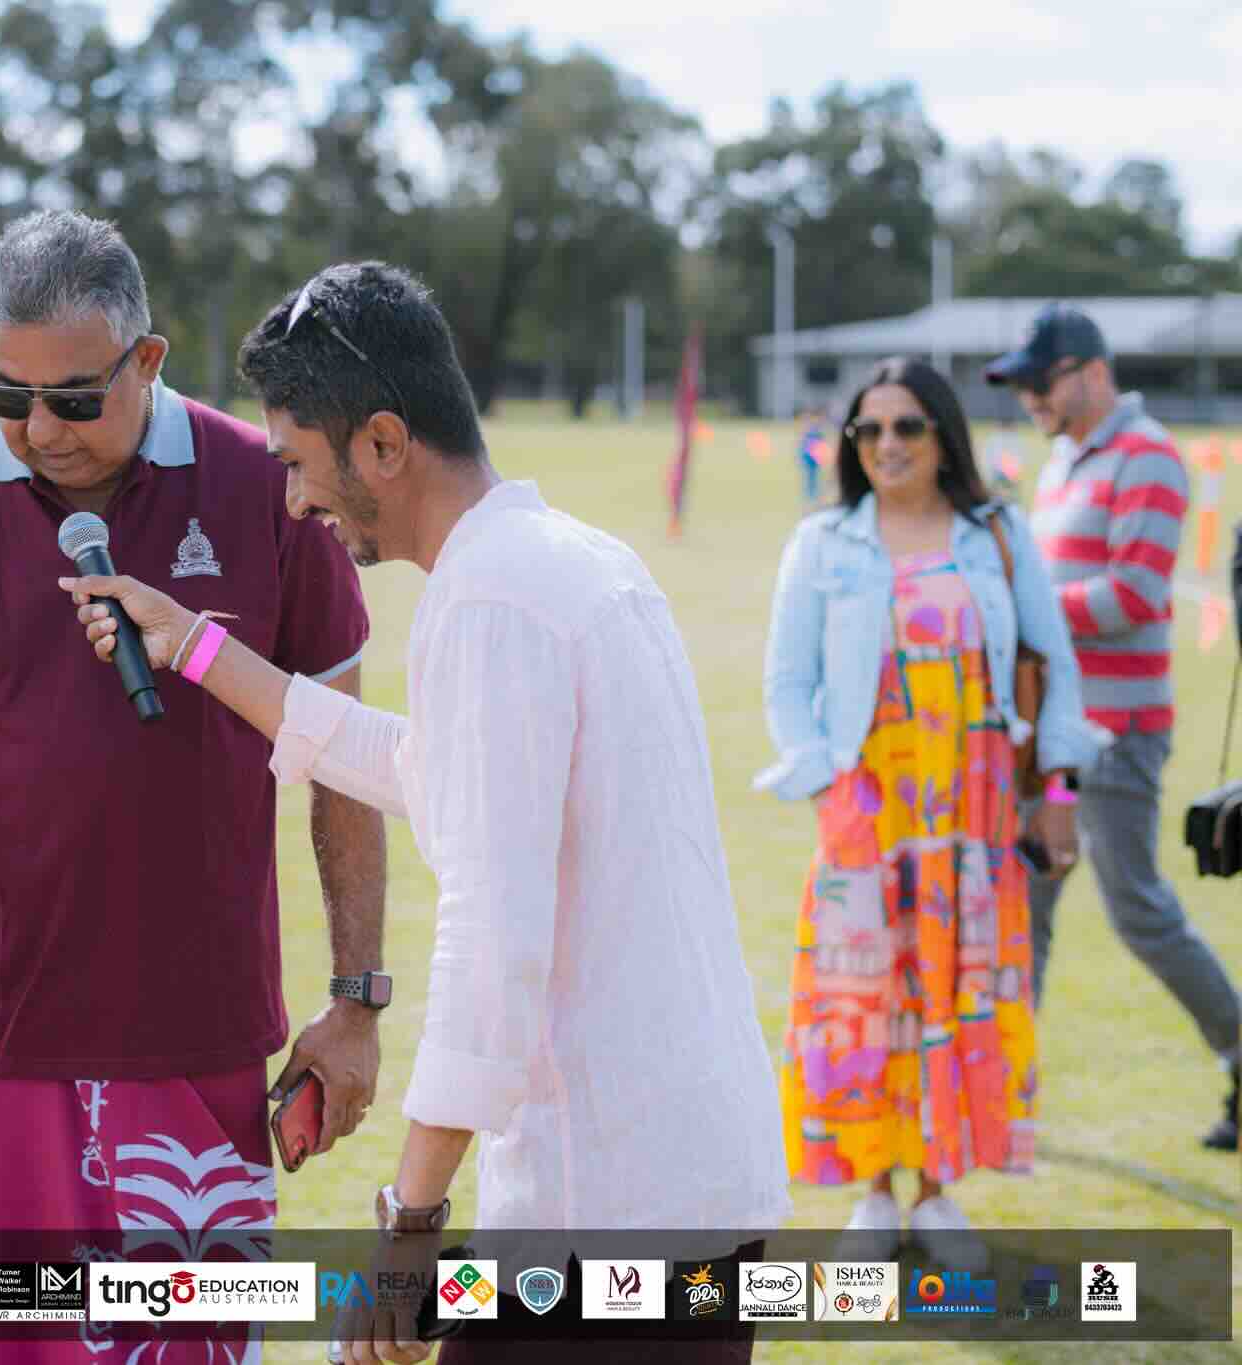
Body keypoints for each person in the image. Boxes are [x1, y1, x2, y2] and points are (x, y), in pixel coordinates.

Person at [62, 261, 790, 1365]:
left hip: (606, 1211)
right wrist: (194, 646)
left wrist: (409, 1226)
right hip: (687, 1181)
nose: (293, 502)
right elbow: (430, 768)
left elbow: (491, 936)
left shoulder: (494, 600)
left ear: (384, 444)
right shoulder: (570, 559)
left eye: (298, 464)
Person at [0, 210, 388, 1364]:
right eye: (6, 394)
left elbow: (342, 766)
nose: (39, 429)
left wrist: (354, 1003)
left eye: (74, 399)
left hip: (190, 1034)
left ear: (148, 358)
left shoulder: (269, 490)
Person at [757, 356, 1103, 1265]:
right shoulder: (823, 543)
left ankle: (938, 1191)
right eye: (869, 428)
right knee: (866, 998)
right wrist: (827, 787)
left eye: (907, 424)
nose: (888, 443)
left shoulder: (998, 533)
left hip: (976, 824)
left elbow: (1057, 670)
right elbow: (787, 684)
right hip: (867, 817)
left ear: (944, 435)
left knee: (960, 994)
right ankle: (876, 1192)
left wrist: (1057, 795)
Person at [987, 303, 1241, 1151]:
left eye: (1040, 381)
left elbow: (1135, 593)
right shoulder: (1064, 461)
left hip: (1120, 733)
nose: (1029, 399)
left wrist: (1024, 607)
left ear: (1092, 372)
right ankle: (1007, 1090)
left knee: (1137, 909)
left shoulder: (1149, 456)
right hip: (1054, 735)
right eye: (1021, 386)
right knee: (1027, 899)